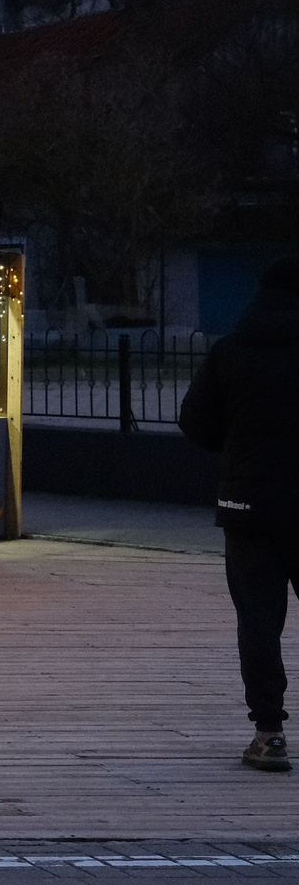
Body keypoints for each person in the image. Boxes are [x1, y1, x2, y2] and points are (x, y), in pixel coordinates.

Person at [180, 254, 299, 772]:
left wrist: (240, 449)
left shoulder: (231, 352)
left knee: (257, 620)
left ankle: (269, 734)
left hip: (247, 505)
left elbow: (195, 423)